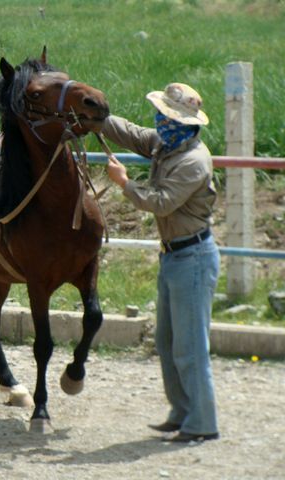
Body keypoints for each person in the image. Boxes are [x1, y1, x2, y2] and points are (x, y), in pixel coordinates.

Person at [103, 83, 220, 443]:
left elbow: (161, 201)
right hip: (176, 255)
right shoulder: (169, 144)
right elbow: (134, 134)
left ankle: (201, 421)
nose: (159, 122)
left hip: (192, 258)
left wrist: (124, 183)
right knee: (169, 342)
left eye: (166, 117)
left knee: (189, 346)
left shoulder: (192, 161)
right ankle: (183, 412)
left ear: (183, 124)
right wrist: (98, 118)